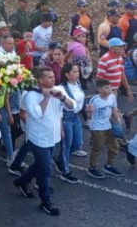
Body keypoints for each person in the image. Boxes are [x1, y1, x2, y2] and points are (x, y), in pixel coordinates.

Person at [13, 66, 75, 216]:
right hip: (38, 138)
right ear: (40, 80)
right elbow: (36, 114)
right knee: (46, 169)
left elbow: (72, 106)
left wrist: (62, 97)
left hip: (52, 137)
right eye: (49, 77)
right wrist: (46, 97)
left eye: (53, 76)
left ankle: (22, 181)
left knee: (40, 164)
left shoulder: (58, 89)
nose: (53, 79)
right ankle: (45, 202)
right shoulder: (30, 95)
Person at [53, 63, 86, 184]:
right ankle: (65, 172)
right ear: (67, 74)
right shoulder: (60, 88)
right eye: (74, 72)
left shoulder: (78, 84)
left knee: (77, 144)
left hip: (76, 117)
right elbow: (66, 106)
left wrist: (85, 109)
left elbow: (80, 101)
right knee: (66, 146)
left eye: (78, 71)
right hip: (66, 118)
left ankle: (60, 159)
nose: (77, 74)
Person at [85, 78, 123, 179]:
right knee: (97, 148)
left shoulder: (112, 97)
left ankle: (109, 166)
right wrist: (88, 111)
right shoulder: (95, 100)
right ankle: (92, 168)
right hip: (97, 128)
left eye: (110, 87)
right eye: (106, 88)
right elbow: (89, 117)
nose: (109, 89)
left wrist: (118, 118)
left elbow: (114, 108)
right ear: (99, 89)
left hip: (108, 126)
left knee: (115, 147)